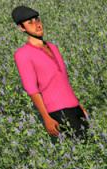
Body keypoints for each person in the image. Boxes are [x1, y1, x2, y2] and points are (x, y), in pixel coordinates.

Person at [12, 5, 90, 143]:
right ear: (21, 28)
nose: (37, 24)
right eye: (30, 23)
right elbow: (32, 90)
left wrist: (79, 106)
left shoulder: (53, 47)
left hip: (75, 108)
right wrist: (46, 117)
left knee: (92, 147)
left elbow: (63, 81)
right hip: (58, 112)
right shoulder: (23, 54)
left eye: (37, 19)